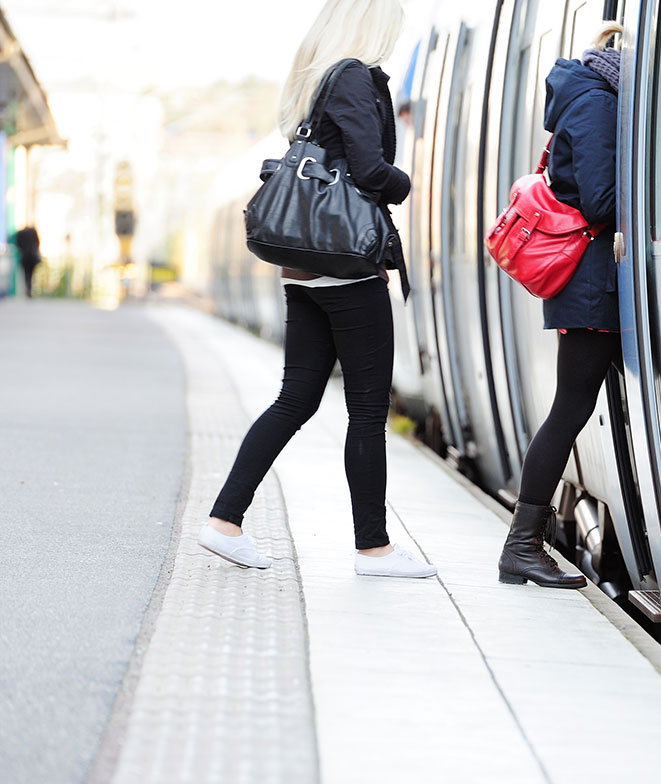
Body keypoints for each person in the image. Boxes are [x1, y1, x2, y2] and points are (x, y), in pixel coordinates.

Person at [199, 0, 435, 579]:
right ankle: (373, 548)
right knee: (366, 409)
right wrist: (408, 184)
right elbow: (368, 167)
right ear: (372, 26)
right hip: (346, 269)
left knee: (297, 398)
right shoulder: (354, 76)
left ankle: (224, 522)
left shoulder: (313, 78)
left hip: (304, 272)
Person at [497, 23, 623, 589]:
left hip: (589, 284)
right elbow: (598, 198)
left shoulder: (586, 95)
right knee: (569, 410)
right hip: (589, 285)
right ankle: (520, 546)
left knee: (569, 408)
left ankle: (522, 545)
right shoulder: (597, 104)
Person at [14, 226, 40, 298]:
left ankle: (28, 289)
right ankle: (29, 289)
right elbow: (38, 242)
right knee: (30, 274)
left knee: (26, 274)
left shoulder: (20, 233)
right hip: (31, 257)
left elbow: (18, 243)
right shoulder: (33, 232)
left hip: (25, 256)